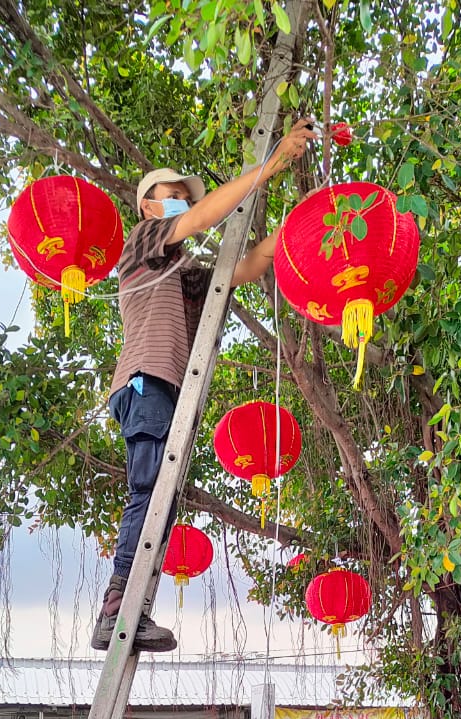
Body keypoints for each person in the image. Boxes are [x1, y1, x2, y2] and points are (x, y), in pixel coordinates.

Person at [91, 119, 313, 651]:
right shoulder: (146, 239)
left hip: (166, 390)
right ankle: (116, 609)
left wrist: (298, 229)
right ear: (149, 206)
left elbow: (242, 268)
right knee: (147, 491)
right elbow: (203, 216)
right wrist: (271, 162)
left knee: (161, 504)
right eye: (169, 198)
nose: (176, 207)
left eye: (178, 201)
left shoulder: (181, 271)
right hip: (145, 381)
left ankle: (135, 607)